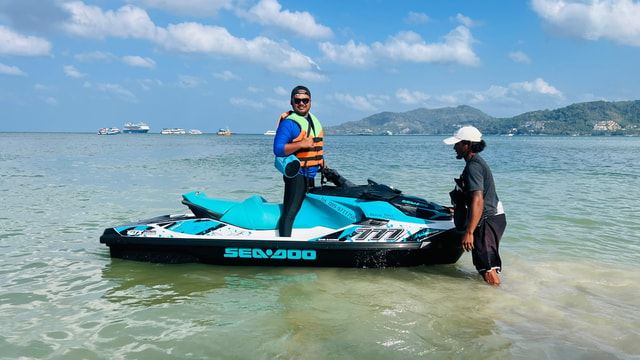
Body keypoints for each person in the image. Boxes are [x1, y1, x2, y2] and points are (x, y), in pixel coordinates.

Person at [444, 126, 506, 286]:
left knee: (487, 266)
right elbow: (473, 198)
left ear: (468, 144)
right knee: (482, 264)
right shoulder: (473, 164)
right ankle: (485, 300)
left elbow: (478, 199)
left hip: (486, 219)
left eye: (457, 144)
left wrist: (469, 232)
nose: (454, 147)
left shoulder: (474, 166)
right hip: (488, 218)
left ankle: (497, 298)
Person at [273, 85, 324, 237]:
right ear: (291, 102)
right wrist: (301, 144)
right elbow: (278, 149)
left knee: (306, 209)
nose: (301, 103)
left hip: (310, 173)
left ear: (310, 101)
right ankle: (285, 245)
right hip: (296, 174)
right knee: (290, 212)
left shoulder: (312, 120)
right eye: (297, 100)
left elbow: (314, 146)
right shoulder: (289, 123)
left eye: (305, 100)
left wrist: (322, 161)